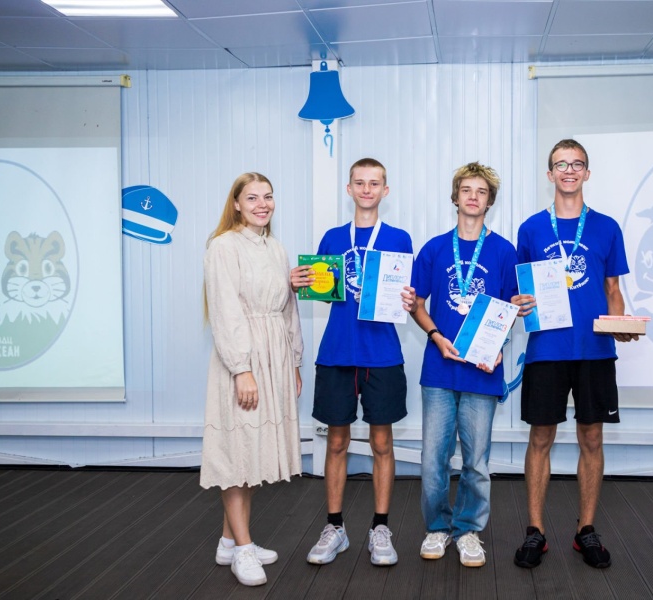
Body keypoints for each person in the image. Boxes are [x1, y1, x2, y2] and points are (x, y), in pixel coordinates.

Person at [513, 139, 639, 570]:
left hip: (594, 350)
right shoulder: (531, 229)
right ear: (549, 174)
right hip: (546, 349)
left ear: (587, 172)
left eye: (576, 164)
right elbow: (521, 290)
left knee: (592, 438)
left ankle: (586, 530)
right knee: (540, 439)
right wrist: (519, 303)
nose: (568, 170)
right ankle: (535, 531)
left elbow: (613, 289)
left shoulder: (606, 227)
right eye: (561, 164)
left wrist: (619, 324)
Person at [293, 158, 413, 567]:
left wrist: (407, 299)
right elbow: (322, 291)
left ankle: (380, 527)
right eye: (359, 183)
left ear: (385, 190)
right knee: (336, 443)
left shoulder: (398, 238)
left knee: (382, 443)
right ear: (349, 189)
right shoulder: (332, 237)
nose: (366, 189)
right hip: (338, 351)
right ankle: (335, 527)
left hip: (382, 353)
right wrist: (305, 282)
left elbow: (405, 294)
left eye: (374, 183)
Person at [402, 162, 518, 568]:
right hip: (439, 368)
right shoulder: (434, 249)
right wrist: (436, 335)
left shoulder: (504, 251)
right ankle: (438, 527)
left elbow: (509, 310)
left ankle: (468, 531)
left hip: (482, 372)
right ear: (455, 197)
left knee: (476, 462)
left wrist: (500, 344)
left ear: (489, 201)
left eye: (481, 192)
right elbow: (416, 304)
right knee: (433, 458)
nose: (473, 197)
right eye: (466, 190)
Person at [200, 173, 304, 587]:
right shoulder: (223, 246)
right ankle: (243, 548)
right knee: (236, 454)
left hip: (274, 356)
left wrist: (294, 362)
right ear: (237, 204)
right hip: (242, 357)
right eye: (253, 198)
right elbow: (225, 311)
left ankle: (230, 542)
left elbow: (287, 309)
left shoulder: (276, 248)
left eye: (268, 197)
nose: (263, 204)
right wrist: (241, 368)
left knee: (255, 451)